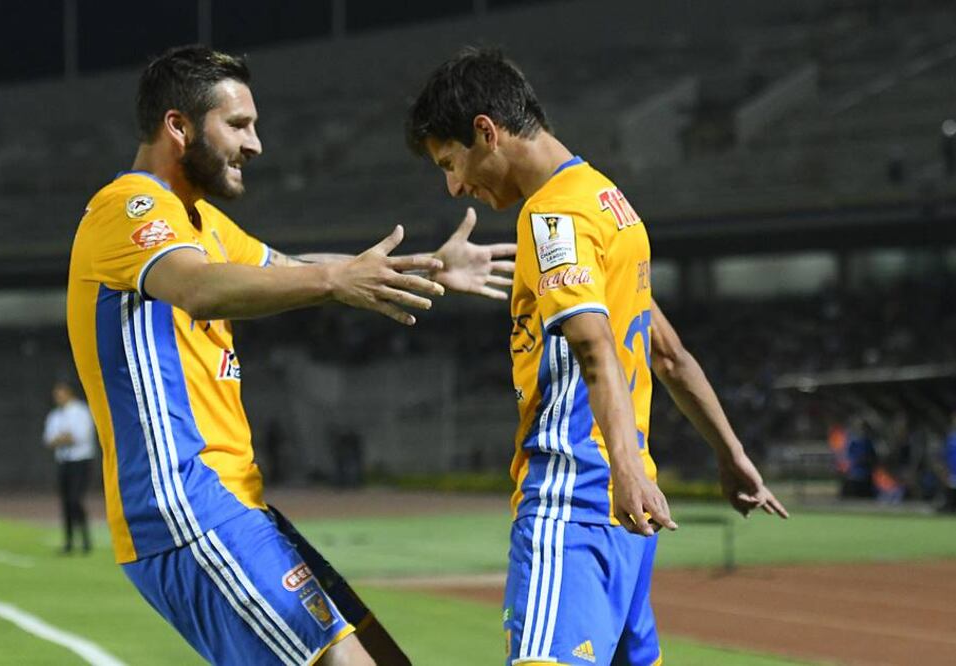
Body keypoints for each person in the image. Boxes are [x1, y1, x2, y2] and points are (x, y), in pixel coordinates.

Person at [67, 45, 513, 666]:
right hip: (185, 505)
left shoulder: (203, 224)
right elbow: (196, 289)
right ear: (179, 126)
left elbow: (292, 267)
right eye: (239, 125)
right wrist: (336, 286)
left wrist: (432, 265)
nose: (256, 145)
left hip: (234, 502)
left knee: (386, 660)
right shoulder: (129, 208)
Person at [406, 47, 785, 665]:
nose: (454, 187)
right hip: (624, 522)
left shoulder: (551, 215)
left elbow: (592, 343)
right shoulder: (609, 202)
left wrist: (625, 472)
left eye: (450, 164)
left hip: (573, 503)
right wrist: (731, 454)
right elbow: (669, 353)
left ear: (486, 131)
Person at [42, 381, 97, 554]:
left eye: (60, 394)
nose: (58, 398)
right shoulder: (55, 415)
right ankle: (69, 542)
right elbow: (48, 439)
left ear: (68, 393)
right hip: (63, 462)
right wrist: (63, 438)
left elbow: (80, 436)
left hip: (80, 461)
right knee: (66, 502)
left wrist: (62, 439)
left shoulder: (81, 411)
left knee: (75, 499)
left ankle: (86, 539)